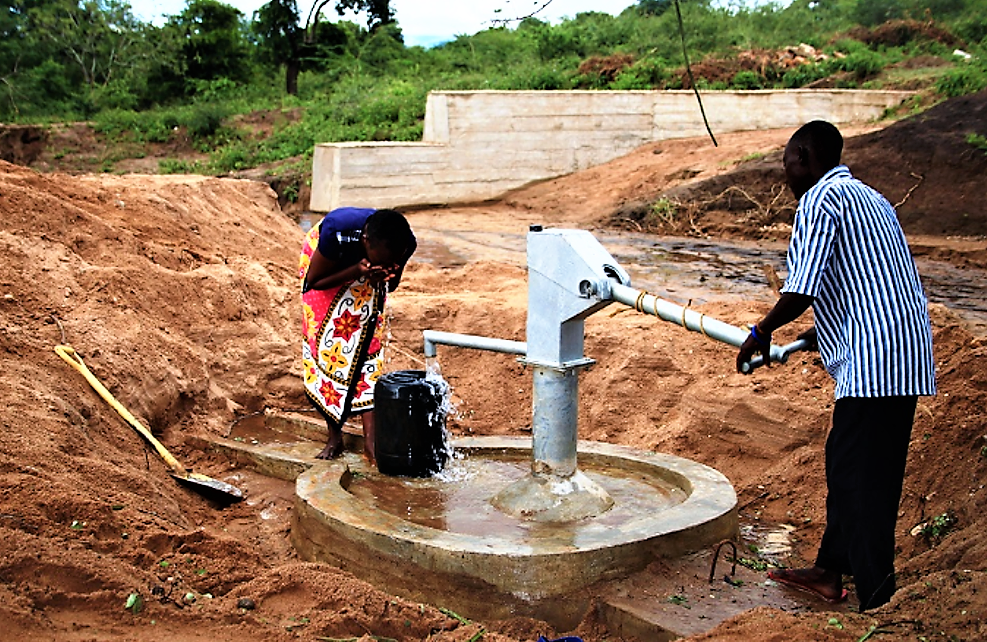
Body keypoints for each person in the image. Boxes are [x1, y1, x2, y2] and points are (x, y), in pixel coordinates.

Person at [736, 120, 936, 610]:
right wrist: (808, 337)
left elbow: (802, 287)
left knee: (859, 481)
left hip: (874, 365)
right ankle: (829, 571)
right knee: (861, 468)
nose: (787, 177)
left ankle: (877, 600)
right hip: (902, 355)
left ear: (804, 157)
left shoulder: (820, 201)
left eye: (788, 165)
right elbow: (867, 283)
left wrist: (762, 331)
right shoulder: (873, 199)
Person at [299, 207, 417, 463]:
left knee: (367, 349)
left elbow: (392, 283)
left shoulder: (405, 243)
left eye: (391, 261)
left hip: (364, 272)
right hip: (327, 269)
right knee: (329, 349)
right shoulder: (336, 232)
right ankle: (334, 438)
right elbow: (315, 281)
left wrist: (383, 274)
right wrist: (357, 271)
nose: (387, 264)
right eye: (382, 259)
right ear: (365, 241)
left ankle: (371, 446)